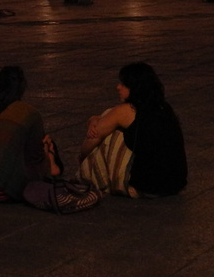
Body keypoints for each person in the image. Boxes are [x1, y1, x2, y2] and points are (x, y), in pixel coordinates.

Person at [78, 62, 187, 198]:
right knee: (110, 118)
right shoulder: (163, 107)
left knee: (111, 135)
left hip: (147, 186)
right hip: (175, 183)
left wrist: (82, 157)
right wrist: (93, 121)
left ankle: (94, 178)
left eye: (123, 84)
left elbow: (90, 142)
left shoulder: (125, 111)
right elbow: (99, 118)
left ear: (135, 88)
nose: (118, 87)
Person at [0, 66, 60, 202]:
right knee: (48, 144)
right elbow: (35, 157)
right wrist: (46, 151)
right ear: (22, 88)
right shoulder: (30, 113)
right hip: (3, 190)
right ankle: (52, 164)